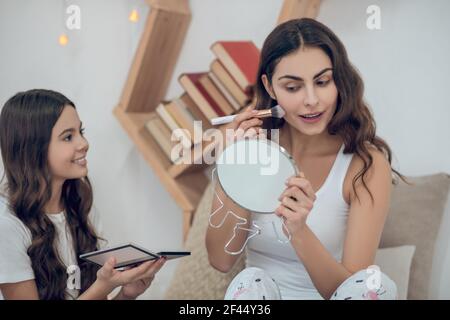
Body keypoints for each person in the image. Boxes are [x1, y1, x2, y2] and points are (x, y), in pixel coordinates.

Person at [206, 18, 406, 300]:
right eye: (293, 87)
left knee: (376, 285)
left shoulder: (365, 166)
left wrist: (298, 230)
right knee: (250, 280)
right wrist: (237, 166)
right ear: (270, 87)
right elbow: (220, 260)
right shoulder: (251, 149)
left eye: (323, 81)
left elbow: (353, 290)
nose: (311, 100)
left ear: (339, 80)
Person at [0, 89, 165, 300]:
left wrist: (126, 295)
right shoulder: (7, 225)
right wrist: (102, 287)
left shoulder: (80, 205)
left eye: (81, 132)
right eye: (68, 137)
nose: (84, 144)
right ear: (33, 148)